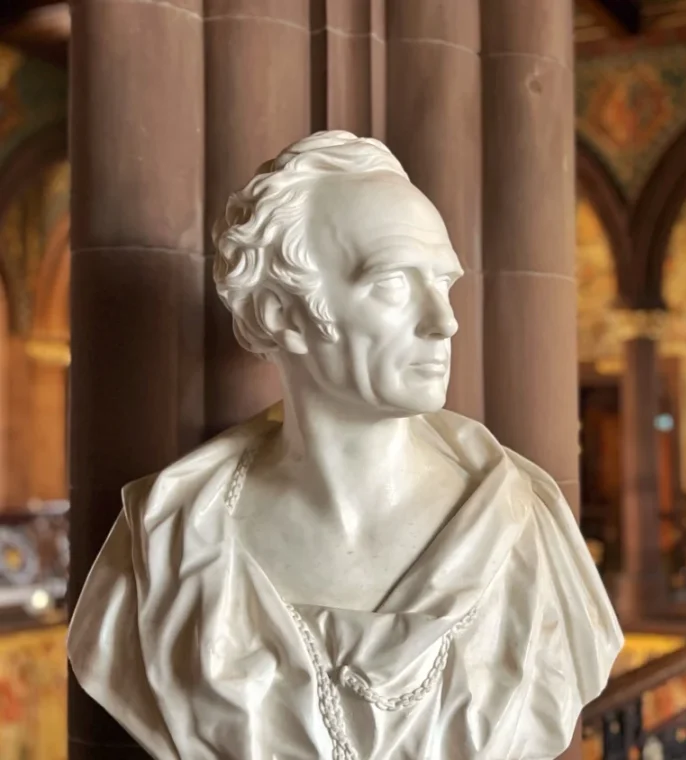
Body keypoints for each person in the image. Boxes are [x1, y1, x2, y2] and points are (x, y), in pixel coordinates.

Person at [67, 131, 623, 760]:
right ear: (282, 313)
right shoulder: (168, 538)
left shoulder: (528, 524)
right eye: (391, 284)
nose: (444, 321)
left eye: (443, 283)